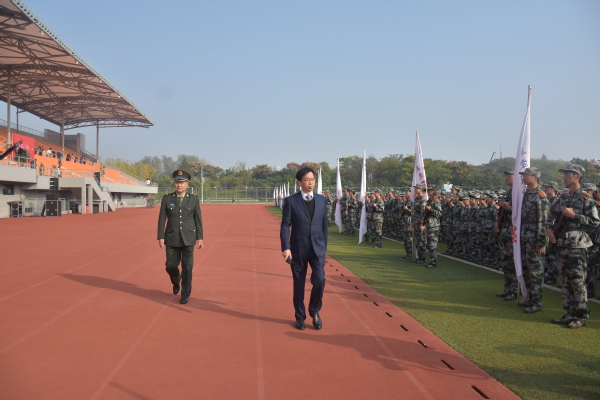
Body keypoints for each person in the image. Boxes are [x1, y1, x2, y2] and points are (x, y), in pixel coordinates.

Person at [547, 164, 599, 328]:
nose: (564, 176)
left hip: (577, 245)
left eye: (568, 174)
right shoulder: (563, 198)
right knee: (565, 282)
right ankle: (568, 314)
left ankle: (580, 317)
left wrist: (575, 216)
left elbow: (595, 221)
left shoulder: (585, 198)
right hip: (563, 243)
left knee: (578, 282)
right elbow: (550, 214)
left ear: (577, 176)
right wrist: (549, 229)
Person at [280, 166, 328, 330]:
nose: (310, 182)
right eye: (307, 180)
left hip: (317, 249)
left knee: (320, 280)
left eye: (312, 179)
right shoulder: (291, 201)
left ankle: (314, 311)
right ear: (299, 182)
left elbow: (324, 226)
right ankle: (300, 316)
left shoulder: (322, 200)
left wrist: (324, 247)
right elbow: (285, 226)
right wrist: (286, 247)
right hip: (298, 249)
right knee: (299, 283)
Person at [157, 170, 204, 304]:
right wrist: (161, 236)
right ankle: (176, 280)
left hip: (188, 238)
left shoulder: (193, 199)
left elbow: (198, 219)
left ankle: (185, 294)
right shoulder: (167, 199)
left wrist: (200, 237)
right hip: (172, 238)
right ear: (174, 183)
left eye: (182, 182)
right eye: (177, 182)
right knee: (170, 265)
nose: (179, 185)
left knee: (187, 268)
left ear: (187, 184)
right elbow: (162, 219)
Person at [518, 167, 549, 314]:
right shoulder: (526, 194)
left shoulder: (540, 195)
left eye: (526, 175)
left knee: (536, 272)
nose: (523, 177)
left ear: (535, 177)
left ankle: (536, 303)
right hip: (525, 237)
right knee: (526, 270)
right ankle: (529, 297)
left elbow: (543, 220)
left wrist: (541, 242)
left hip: (535, 239)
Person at [495, 171, 518, 301]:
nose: (507, 178)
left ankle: (514, 291)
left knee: (512, 263)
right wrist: (497, 224)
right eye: (507, 175)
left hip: (512, 233)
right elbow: (501, 212)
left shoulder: (519, 194)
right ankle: (507, 289)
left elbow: (521, 213)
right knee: (505, 263)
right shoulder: (507, 193)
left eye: (510, 175)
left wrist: (508, 208)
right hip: (504, 231)